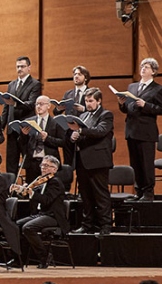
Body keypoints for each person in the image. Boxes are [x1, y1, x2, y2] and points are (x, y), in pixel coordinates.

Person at [68, 88, 113, 236]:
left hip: (98, 161)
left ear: (99, 101)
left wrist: (80, 131)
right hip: (82, 160)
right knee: (85, 195)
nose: (88, 104)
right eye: (86, 101)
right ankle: (87, 224)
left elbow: (100, 131)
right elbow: (83, 134)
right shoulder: (84, 115)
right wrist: (74, 136)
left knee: (100, 195)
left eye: (91, 101)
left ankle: (105, 226)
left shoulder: (106, 115)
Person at [11, 155, 68, 269]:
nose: (43, 168)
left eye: (47, 166)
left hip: (53, 216)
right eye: (42, 165)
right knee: (15, 226)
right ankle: (18, 259)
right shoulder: (42, 181)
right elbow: (30, 193)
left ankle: (44, 257)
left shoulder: (55, 182)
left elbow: (46, 200)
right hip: (41, 214)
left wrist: (31, 192)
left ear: (54, 169)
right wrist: (20, 189)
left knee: (28, 227)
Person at [119, 57, 162, 201]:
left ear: (154, 71)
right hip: (131, 130)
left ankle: (148, 193)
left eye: (147, 67)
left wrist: (146, 105)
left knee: (146, 163)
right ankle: (138, 191)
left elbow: (160, 109)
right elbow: (128, 109)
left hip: (146, 132)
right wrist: (122, 104)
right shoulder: (132, 87)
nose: (143, 68)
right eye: (142, 66)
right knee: (135, 163)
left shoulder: (158, 89)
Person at [3, 56, 43, 174]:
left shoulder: (35, 84)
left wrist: (15, 104)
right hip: (11, 128)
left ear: (29, 68)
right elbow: (6, 107)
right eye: (18, 67)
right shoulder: (11, 84)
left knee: (28, 160)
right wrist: (1, 126)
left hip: (26, 127)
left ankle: (28, 189)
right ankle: (11, 189)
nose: (19, 69)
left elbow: (31, 104)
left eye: (22, 66)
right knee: (11, 161)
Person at [16, 96, 64, 183]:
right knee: (31, 189)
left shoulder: (56, 122)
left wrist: (47, 138)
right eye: (37, 104)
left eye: (41, 104)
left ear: (48, 106)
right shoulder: (28, 121)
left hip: (49, 163)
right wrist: (23, 135)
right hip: (32, 162)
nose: (38, 106)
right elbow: (21, 143)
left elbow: (62, 142)